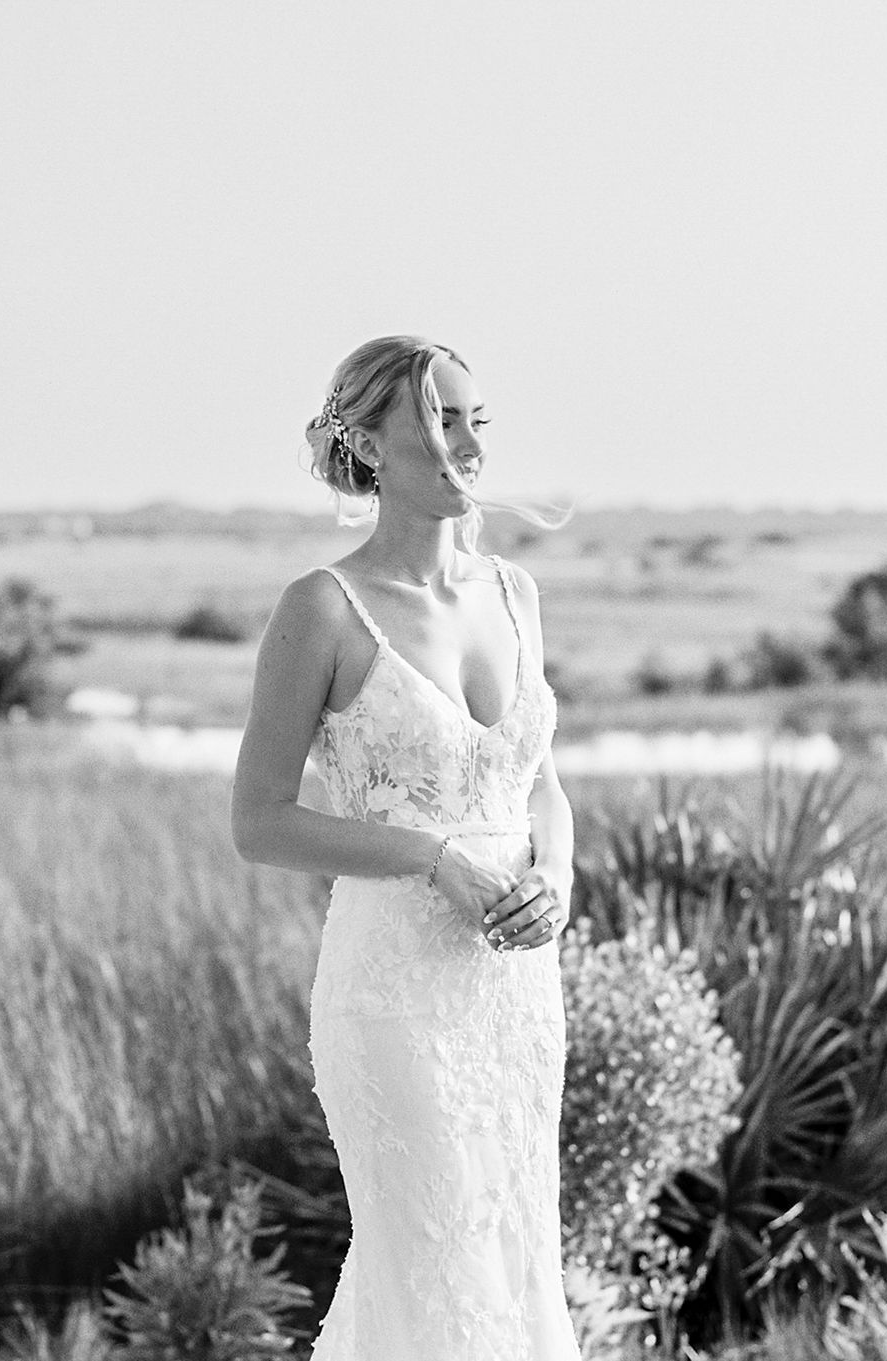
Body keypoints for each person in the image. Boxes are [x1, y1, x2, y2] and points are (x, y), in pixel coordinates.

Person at [231, 335, 581, 1360]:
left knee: (512, 1261)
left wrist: (552, 876)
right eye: (439, 420)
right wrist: (433, 857)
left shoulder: (514, 594)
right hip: (393, 997)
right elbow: (259, 820)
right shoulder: (320, 608)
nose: (467, 443)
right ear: (369, 446)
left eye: (476, 419)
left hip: (518, 993)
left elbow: (543, 787)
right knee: (431, 1275)